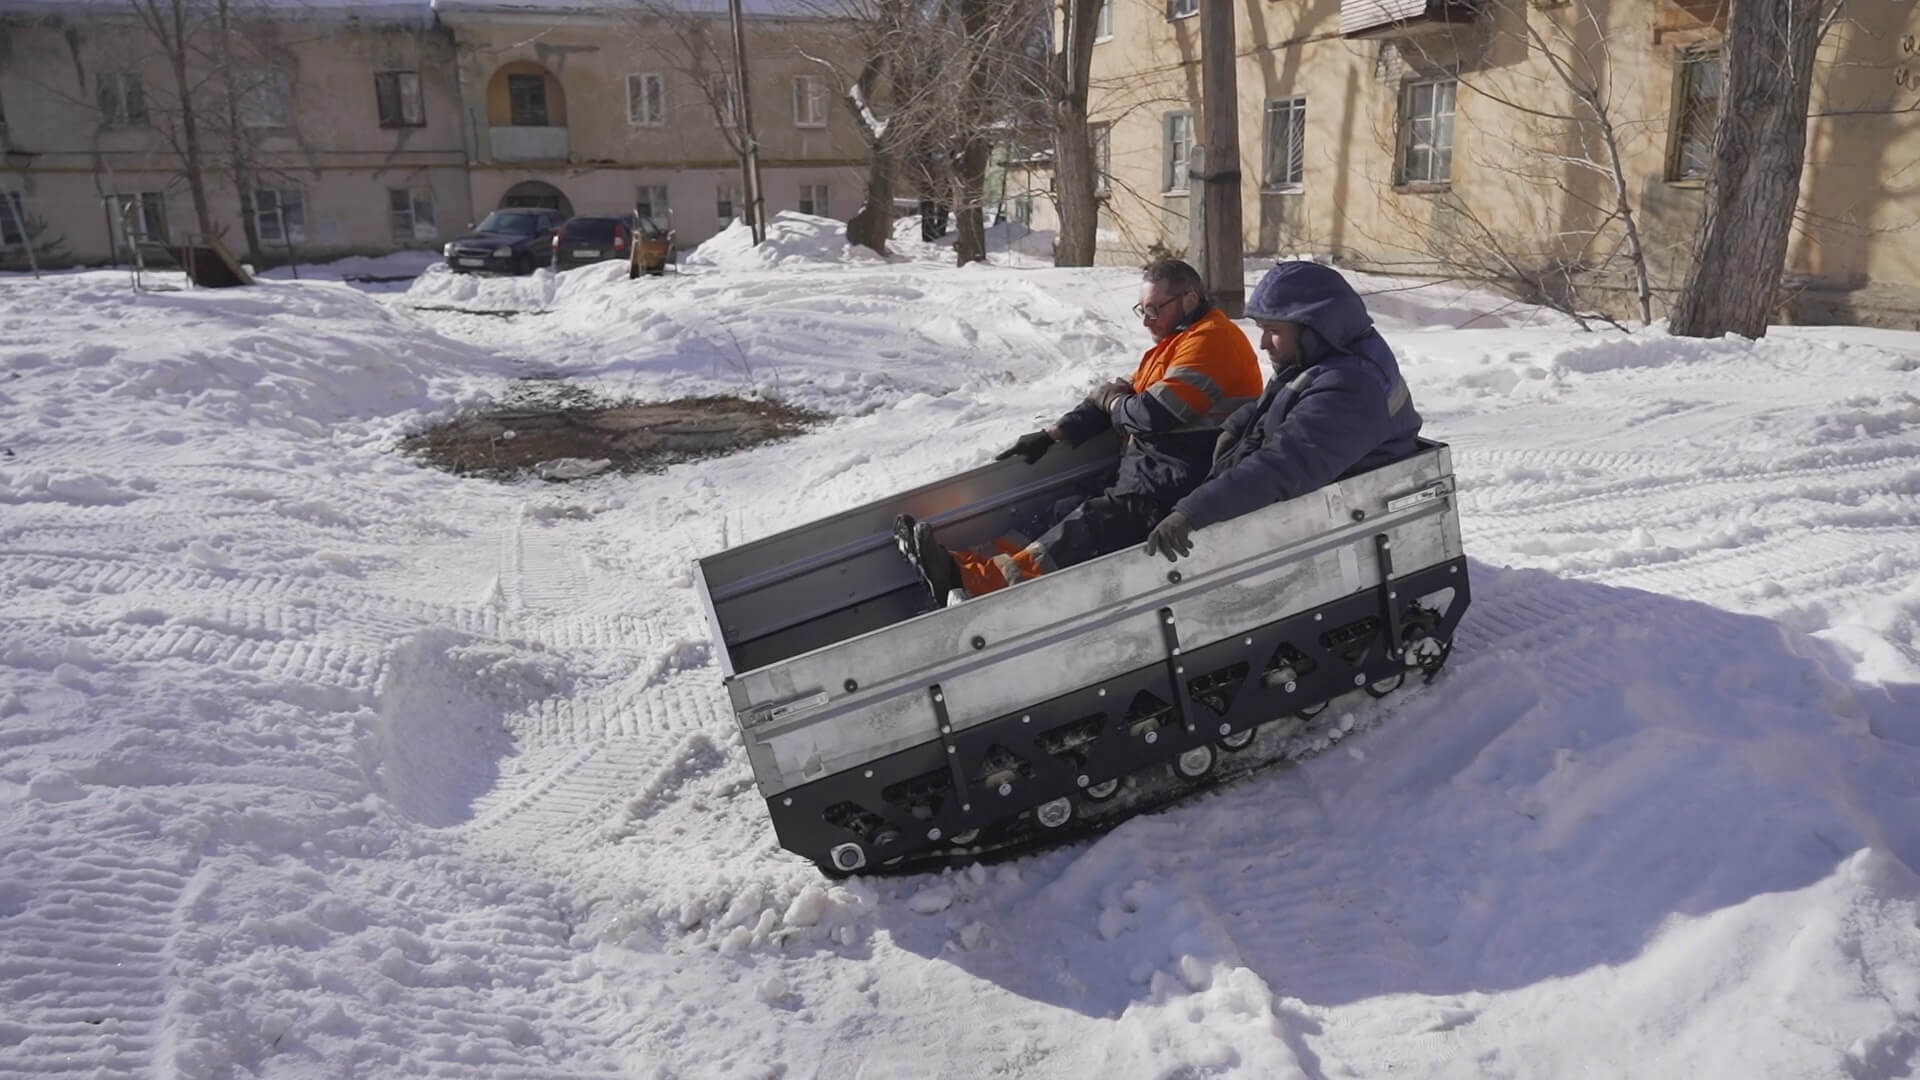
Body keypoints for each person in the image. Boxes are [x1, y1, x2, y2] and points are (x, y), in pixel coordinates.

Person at [896, 257, 1264, 605]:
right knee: (1061, 510)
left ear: (1190, 299)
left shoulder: (1213, 341)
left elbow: (1152, 415)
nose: (1146, 322)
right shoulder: (1174, 344)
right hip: (1149, 471)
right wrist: (1053, 434)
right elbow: (1116, 396)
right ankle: (963, 570)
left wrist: (1115, 403)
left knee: (1087, 526)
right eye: (1142, 310)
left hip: (1179, 482)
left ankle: (979, 586)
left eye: (1154, 310)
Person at [1142, 260, 1423, 562]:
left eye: (1273, 330)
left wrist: (1193, 512)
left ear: (1314, 328)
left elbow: (1283, 464)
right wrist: (1234, 429)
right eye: (1262, 329)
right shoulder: (1322, 356)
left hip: (1336, 514)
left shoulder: (1352, 385)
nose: (1263, 343)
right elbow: (1276, 406)